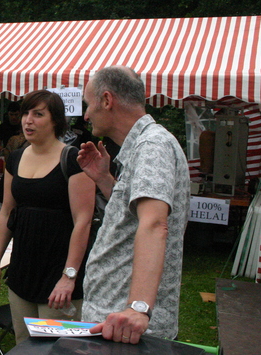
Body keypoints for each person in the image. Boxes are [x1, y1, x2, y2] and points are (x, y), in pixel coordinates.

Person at [77, 66, 190, 344]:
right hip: (116, 323)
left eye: (88, 104)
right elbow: (138, 217)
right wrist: (105, 179)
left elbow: (154, 224)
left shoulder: (152, 145)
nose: (86, 114)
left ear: (106, 100)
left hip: (126, 328)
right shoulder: (146, 143)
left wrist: (138, 308)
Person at [0, 90, 95, 345]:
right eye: (25, 113)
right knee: (24, 344)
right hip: (23, 270)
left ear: (55, 120)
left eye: (38, 114)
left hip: (59, 272)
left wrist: (69, 277)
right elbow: (6, 212)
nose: (28, 120)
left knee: (56, 347)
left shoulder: (72, 159)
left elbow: (84, 221)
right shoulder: (15, 158)